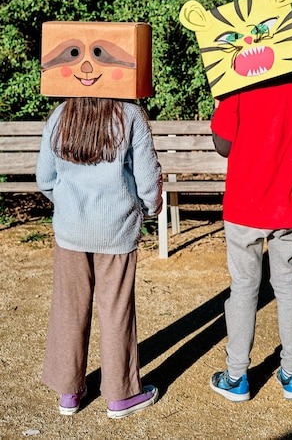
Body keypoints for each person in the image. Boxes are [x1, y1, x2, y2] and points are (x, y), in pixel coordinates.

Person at [36, 97, 163, 418]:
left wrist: (67, 206)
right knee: (116, 311)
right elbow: (147, 178)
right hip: (117, 230)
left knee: (68, 308)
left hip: (71, 231)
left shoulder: (62, 113)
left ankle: (69, 393)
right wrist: (146, 209)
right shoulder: (131, 115)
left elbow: (45, 178)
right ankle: (121, 397)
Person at [209, 71, 292, 402]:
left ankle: (236, 378)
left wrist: (218, 106)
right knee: (290, 286)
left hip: (245, 203)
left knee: (244, 288)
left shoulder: (236, 77)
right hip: (291, 201)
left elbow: (223, 145)